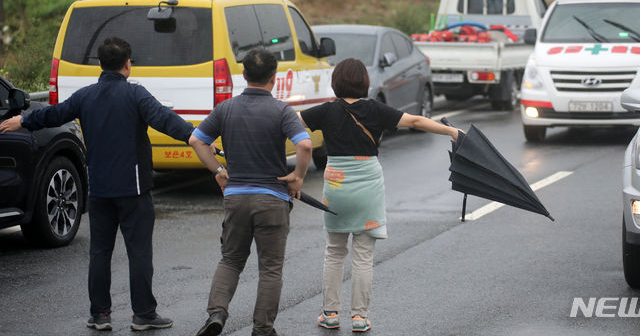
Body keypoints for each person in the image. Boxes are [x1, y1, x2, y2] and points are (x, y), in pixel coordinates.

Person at [0, 37, 194, 331]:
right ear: (128, 65)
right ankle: (143, 313)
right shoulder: (136, 95)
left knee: (100, 253)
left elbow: (53, 114)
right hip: (134, 190)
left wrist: (22, 121)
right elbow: (166, 121)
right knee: (139, 252)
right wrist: (198, 137)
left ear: (100, 65)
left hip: (100, 189)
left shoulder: (85, 96)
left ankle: (100, 315)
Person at [298, 58, 460, 332]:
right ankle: (359, 318)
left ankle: (330, 313)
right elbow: (417, 120)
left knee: (335, 252)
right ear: (365, 82)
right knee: (363, 255)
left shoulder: (325, 111)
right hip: (368, 183)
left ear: (336, 82)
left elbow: (288, 123)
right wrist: (453, 131)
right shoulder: (375, 109)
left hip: (336, 184)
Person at [189, 48, 313, 336]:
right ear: (274, 77)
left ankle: (217, 313)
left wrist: (218, 171)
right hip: (272, 199)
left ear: (244, 75)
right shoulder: (282, 110)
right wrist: (297, 176)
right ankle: (262, 329)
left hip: (236, 197)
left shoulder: (226, 108)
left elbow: (196, 140)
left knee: (231, 259)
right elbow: (305, 145)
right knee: (270, 268)